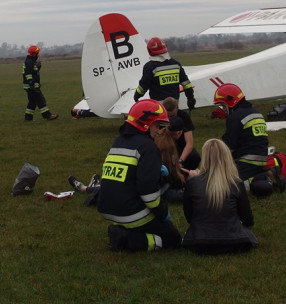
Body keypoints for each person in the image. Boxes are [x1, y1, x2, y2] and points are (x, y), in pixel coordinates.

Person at [96, 99, 181, 252]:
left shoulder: (118, 141)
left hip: (106, 207)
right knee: (173, 239)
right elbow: (148, 193)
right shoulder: (148, 147)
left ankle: (126, 231)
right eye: (158, 126)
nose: (160, 131)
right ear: (146, 124)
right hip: (129, 213)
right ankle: (127, 239)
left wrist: (154, 169)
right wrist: (162, 213)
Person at [181, 139, 258, 254]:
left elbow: (189, 217)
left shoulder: (193, 182)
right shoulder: (236, 183)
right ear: (227, 157)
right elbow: (247, 219)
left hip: (199, 243)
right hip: (234, 243)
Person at [213, 83, 286, 197]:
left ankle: (262, 179)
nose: (223, 109)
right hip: (262, 159)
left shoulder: (235, 117)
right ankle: (266, 174)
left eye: (223, 105)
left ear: (230, 102)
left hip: (246, 160)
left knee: (224, 185)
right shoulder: (256, 113)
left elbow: (229, 146)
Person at [133, 37, 196, 109]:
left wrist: (136, 96)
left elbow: (143, 86)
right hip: (174, 106)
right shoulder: (176, 64)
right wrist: (190, 98)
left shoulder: (150, 66)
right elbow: (186, 84)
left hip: (158, 107)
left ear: (149, 50)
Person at [162, 96, 201, 169]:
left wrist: (180, 161)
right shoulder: (160, 117)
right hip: (166, 146)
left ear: (177, 108)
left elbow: (189, 143)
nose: (170, 118)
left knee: (194, 157)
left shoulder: (184, 116)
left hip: (181, 146)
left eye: (173, 115)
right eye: (168, 116)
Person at [22, 45, 58, 121]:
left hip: (29, 86)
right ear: (34, 54)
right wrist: (31, 83)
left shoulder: (31, 61)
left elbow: (34, 73)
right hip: (32, 86)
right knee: (40, 100)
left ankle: (28, 118)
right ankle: (48, 116)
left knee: (32, 102)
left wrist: (38, 67)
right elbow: (28, 73)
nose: (38, 55)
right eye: (37, 53)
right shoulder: (29, 62)